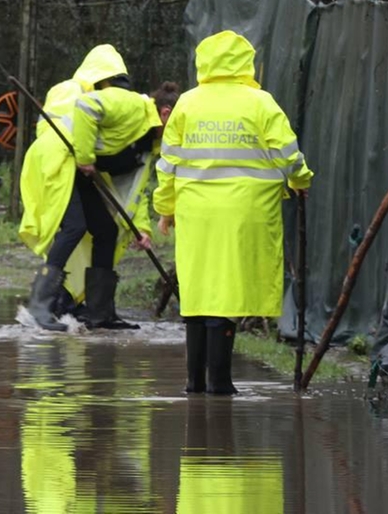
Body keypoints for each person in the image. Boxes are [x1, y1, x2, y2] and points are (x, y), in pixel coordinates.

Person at [153, 30, 313, 394]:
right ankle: (221, 383)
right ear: (246, 62)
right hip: (246, 213)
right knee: (227, 290)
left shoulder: (188, 104)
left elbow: (168, 165)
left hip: (196, 214)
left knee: (198, 291)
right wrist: (301, 181)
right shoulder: (261, 103)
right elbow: (288, 154)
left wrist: (166, 209)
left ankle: (195, 382)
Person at [17, 45, 165, 331]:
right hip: (58, 161)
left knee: (106, 230)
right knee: (74, 226)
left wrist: (142, 228)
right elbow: (85, 110)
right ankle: (39, 306)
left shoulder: (144, 136)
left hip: (77, 167)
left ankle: (99, 313)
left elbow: (134, 188)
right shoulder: (124, 102)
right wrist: (85, 158)